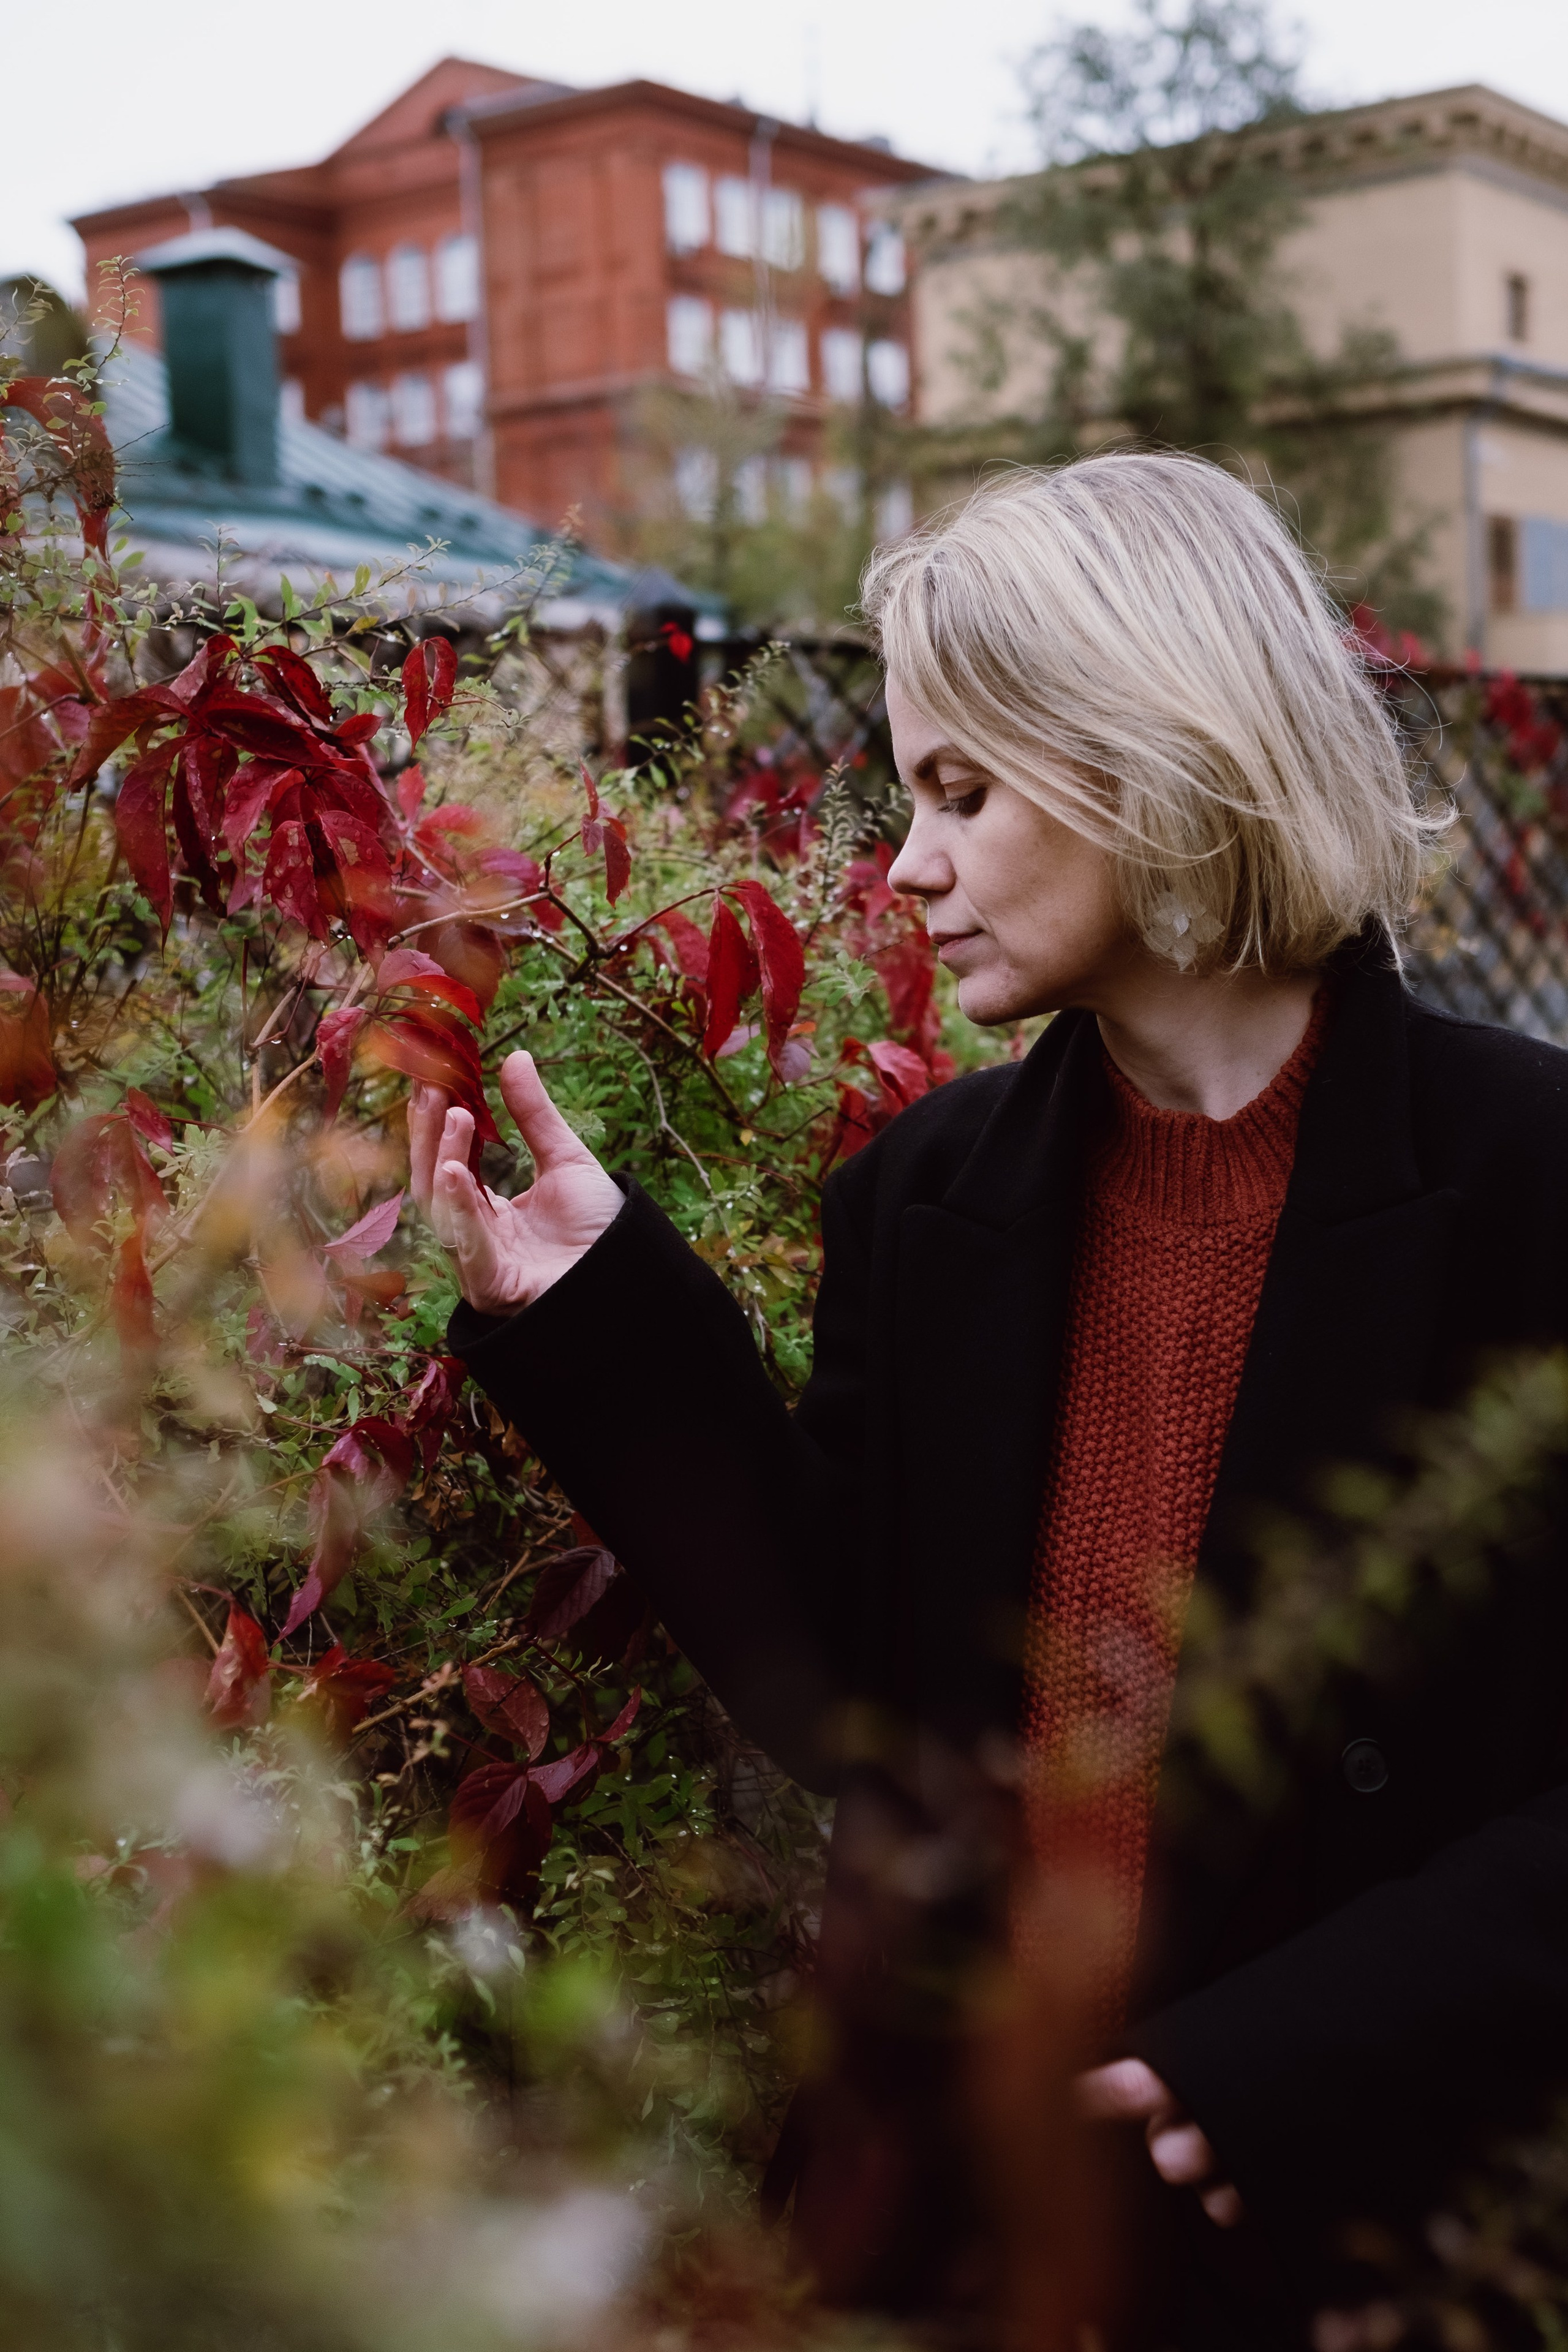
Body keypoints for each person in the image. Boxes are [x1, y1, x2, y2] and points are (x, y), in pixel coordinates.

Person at [409, 455, 1568, 2348]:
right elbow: (860, 1709)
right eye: (902, 797)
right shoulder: (931, 1198)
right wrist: (609, 1321)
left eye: (961, 793)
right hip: (960, 2230)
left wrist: (1295, 2061)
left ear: (1154, 760)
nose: (907, 865)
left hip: (1363, 2225)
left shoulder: (1533, 1186)